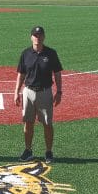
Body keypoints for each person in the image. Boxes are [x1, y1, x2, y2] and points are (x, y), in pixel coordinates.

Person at [13, 26, 63, 164]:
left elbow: (57, 73)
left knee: (47, 123)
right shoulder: (26, 54)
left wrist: (59, 92)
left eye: (40, 35)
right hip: (28, 92)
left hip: (45, 92)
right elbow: (21, 74)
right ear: (31, 37)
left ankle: (48, 152)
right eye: (35, 35)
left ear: (44, 37)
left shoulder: (51, 53)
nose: (38, 37)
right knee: (28, 122)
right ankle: (28, 150)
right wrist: (16, 91)